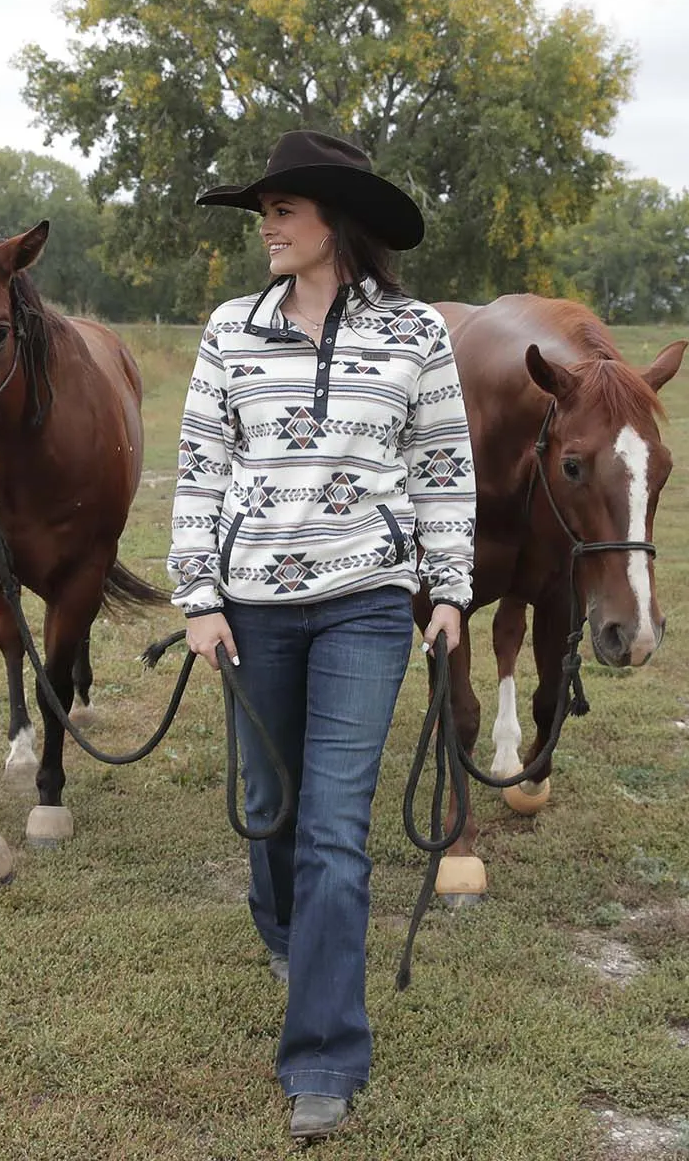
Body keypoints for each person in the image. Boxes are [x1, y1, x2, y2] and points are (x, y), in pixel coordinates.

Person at [167, 130, 476, 1140]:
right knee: (271, 806)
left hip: (367, 601)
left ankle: (325, 1056)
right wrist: (199, 597)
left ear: (334, 222)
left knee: (337, 828)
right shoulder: (229, 331)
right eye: (263, 210)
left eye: (283, 209)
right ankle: (289, 934)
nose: (266, 225)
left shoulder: (416, 333)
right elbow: (201, 467)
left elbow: (442, 466)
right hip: (251, 605)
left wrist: (448, 590)